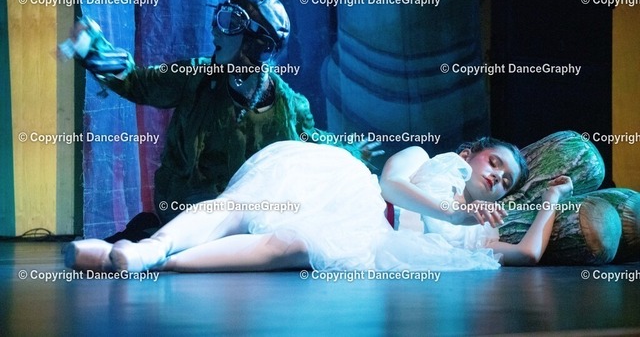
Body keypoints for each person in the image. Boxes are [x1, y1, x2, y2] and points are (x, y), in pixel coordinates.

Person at [63, 0, 380, 241]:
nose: (216, 29)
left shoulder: (288, 105)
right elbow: (139, 82)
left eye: (230, 23)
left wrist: (351, 152)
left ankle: (155, 238)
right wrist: (93, 49)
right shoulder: (195, 76)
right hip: (190, 208)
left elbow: (311, 140)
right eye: (220, 17)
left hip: (248, 220)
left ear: (256, 42)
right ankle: (150, 236)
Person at [65, 137, 573, 273]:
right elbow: (392, 187)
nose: (495, 176)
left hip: (368, 238)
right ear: (470, 154)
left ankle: (143, 261)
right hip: (354, 192)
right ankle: (150, 247)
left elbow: (527, 255)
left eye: (505, 181)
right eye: (494, 162)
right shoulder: (426, 159)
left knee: (286, 245)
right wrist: (452, 211)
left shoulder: (479, 231)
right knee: (243, 203)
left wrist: (551, 199)